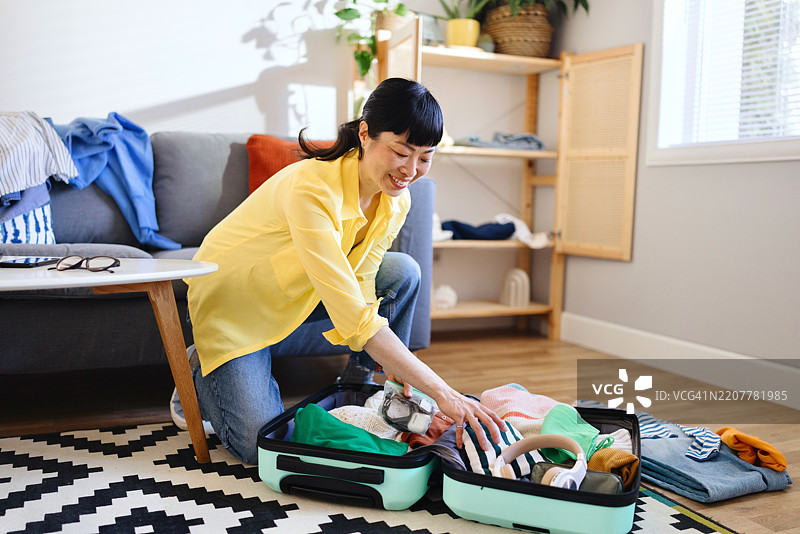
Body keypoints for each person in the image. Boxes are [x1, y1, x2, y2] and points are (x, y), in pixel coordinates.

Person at [178, 77, 505, 464]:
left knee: (402, 271)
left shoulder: (394, 201)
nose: (411, 170)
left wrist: (408, 378)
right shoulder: (313, 190)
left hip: (294, 295)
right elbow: (355, 318)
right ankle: (200, 368)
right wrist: (443, 393)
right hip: (233, 305)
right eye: (401, 152)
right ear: (365, 134)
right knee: (258, 448)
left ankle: (359, 385)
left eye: (425, 157)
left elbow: (364, 287)